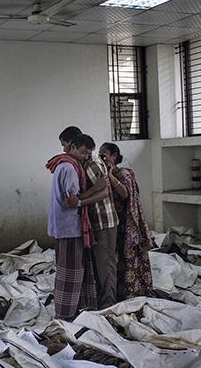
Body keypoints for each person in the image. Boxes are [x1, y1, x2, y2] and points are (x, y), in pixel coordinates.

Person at [46, 134, 107, 320]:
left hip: (66, 227)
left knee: (71, 268)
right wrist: (96, 189)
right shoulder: (70, 168)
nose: (85, 157)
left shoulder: (65, 165)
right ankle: (65, 314)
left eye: (88, 154)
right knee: (70, 272)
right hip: (69, 227)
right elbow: (71, 201)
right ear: (72, 147)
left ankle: (72, 309)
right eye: (82, 152)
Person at [99, 142, 153, 300]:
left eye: (104, 155)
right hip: (115, 222)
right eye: (99, 155)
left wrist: (110, 175)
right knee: (116, 258)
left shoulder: (124, 173)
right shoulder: (103, 173)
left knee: (130, 257)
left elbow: (125, 194)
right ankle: (119, 291)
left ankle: (134, 291)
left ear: (113, 156)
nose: (101, 158)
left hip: (128, 222)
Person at [84, 144, 119, 310]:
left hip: (104, 220)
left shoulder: (91, 165)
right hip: (104, 220)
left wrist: (79, 200)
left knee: (105, 264)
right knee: (105, 262)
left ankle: (108, 303)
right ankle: (106, 300)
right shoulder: (95, 164)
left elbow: (103, 191)